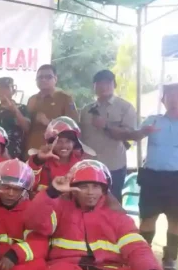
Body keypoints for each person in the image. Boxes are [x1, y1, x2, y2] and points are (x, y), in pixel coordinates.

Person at [28, 160, 167, 270]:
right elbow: (34, 222)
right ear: (73, 188)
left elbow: (138, 248)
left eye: (96, 187)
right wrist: (51, 192)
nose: (90, 192)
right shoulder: (59, 208)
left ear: (104, 190)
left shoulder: (119, 218)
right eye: (84, 186)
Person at [125, 82, 178, 270]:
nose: (174, 99)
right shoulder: (152, 121)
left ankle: (170, 259)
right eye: (169, 95)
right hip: (152, 175)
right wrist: (143, 132)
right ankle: (143, 257)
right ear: (163, 100)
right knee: (147, 218)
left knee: (176, 220)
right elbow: (133, 138)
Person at [79, 70, 138, 200]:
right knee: (87, 203)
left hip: (113, 166)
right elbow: (80, 137)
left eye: (107, 83)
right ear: (94, 87)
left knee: (112, 204)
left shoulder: (125, 107)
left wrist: (106, 126)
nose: (103, 87)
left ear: (114, 85)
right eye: (99, 83)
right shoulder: (85, 110)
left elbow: (130, 135)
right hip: (89, 165)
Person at [25, 64, 79, 154]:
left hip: (56, 151)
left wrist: (50, 123)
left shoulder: (65, 98)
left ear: (55, 79)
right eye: (40, 77)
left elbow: (74, 126)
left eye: (48, 77)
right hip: (32, 149)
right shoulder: (32, 100)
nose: (43, 80)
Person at [28, 116, 89, 192]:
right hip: (44, 202)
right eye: (59, 141)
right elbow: (27, 185)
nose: (64, 145)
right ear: (50, 143)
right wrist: (38, 160)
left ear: (74, 143)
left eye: (68, 141)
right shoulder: (40, 162)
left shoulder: (81, 165)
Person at [0, 77, 30, 160]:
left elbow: (27, 128)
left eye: (6, 87)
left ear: (13, 91)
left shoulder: (23, 108)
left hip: (18, 154)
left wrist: (15, 110)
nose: (3, 91)